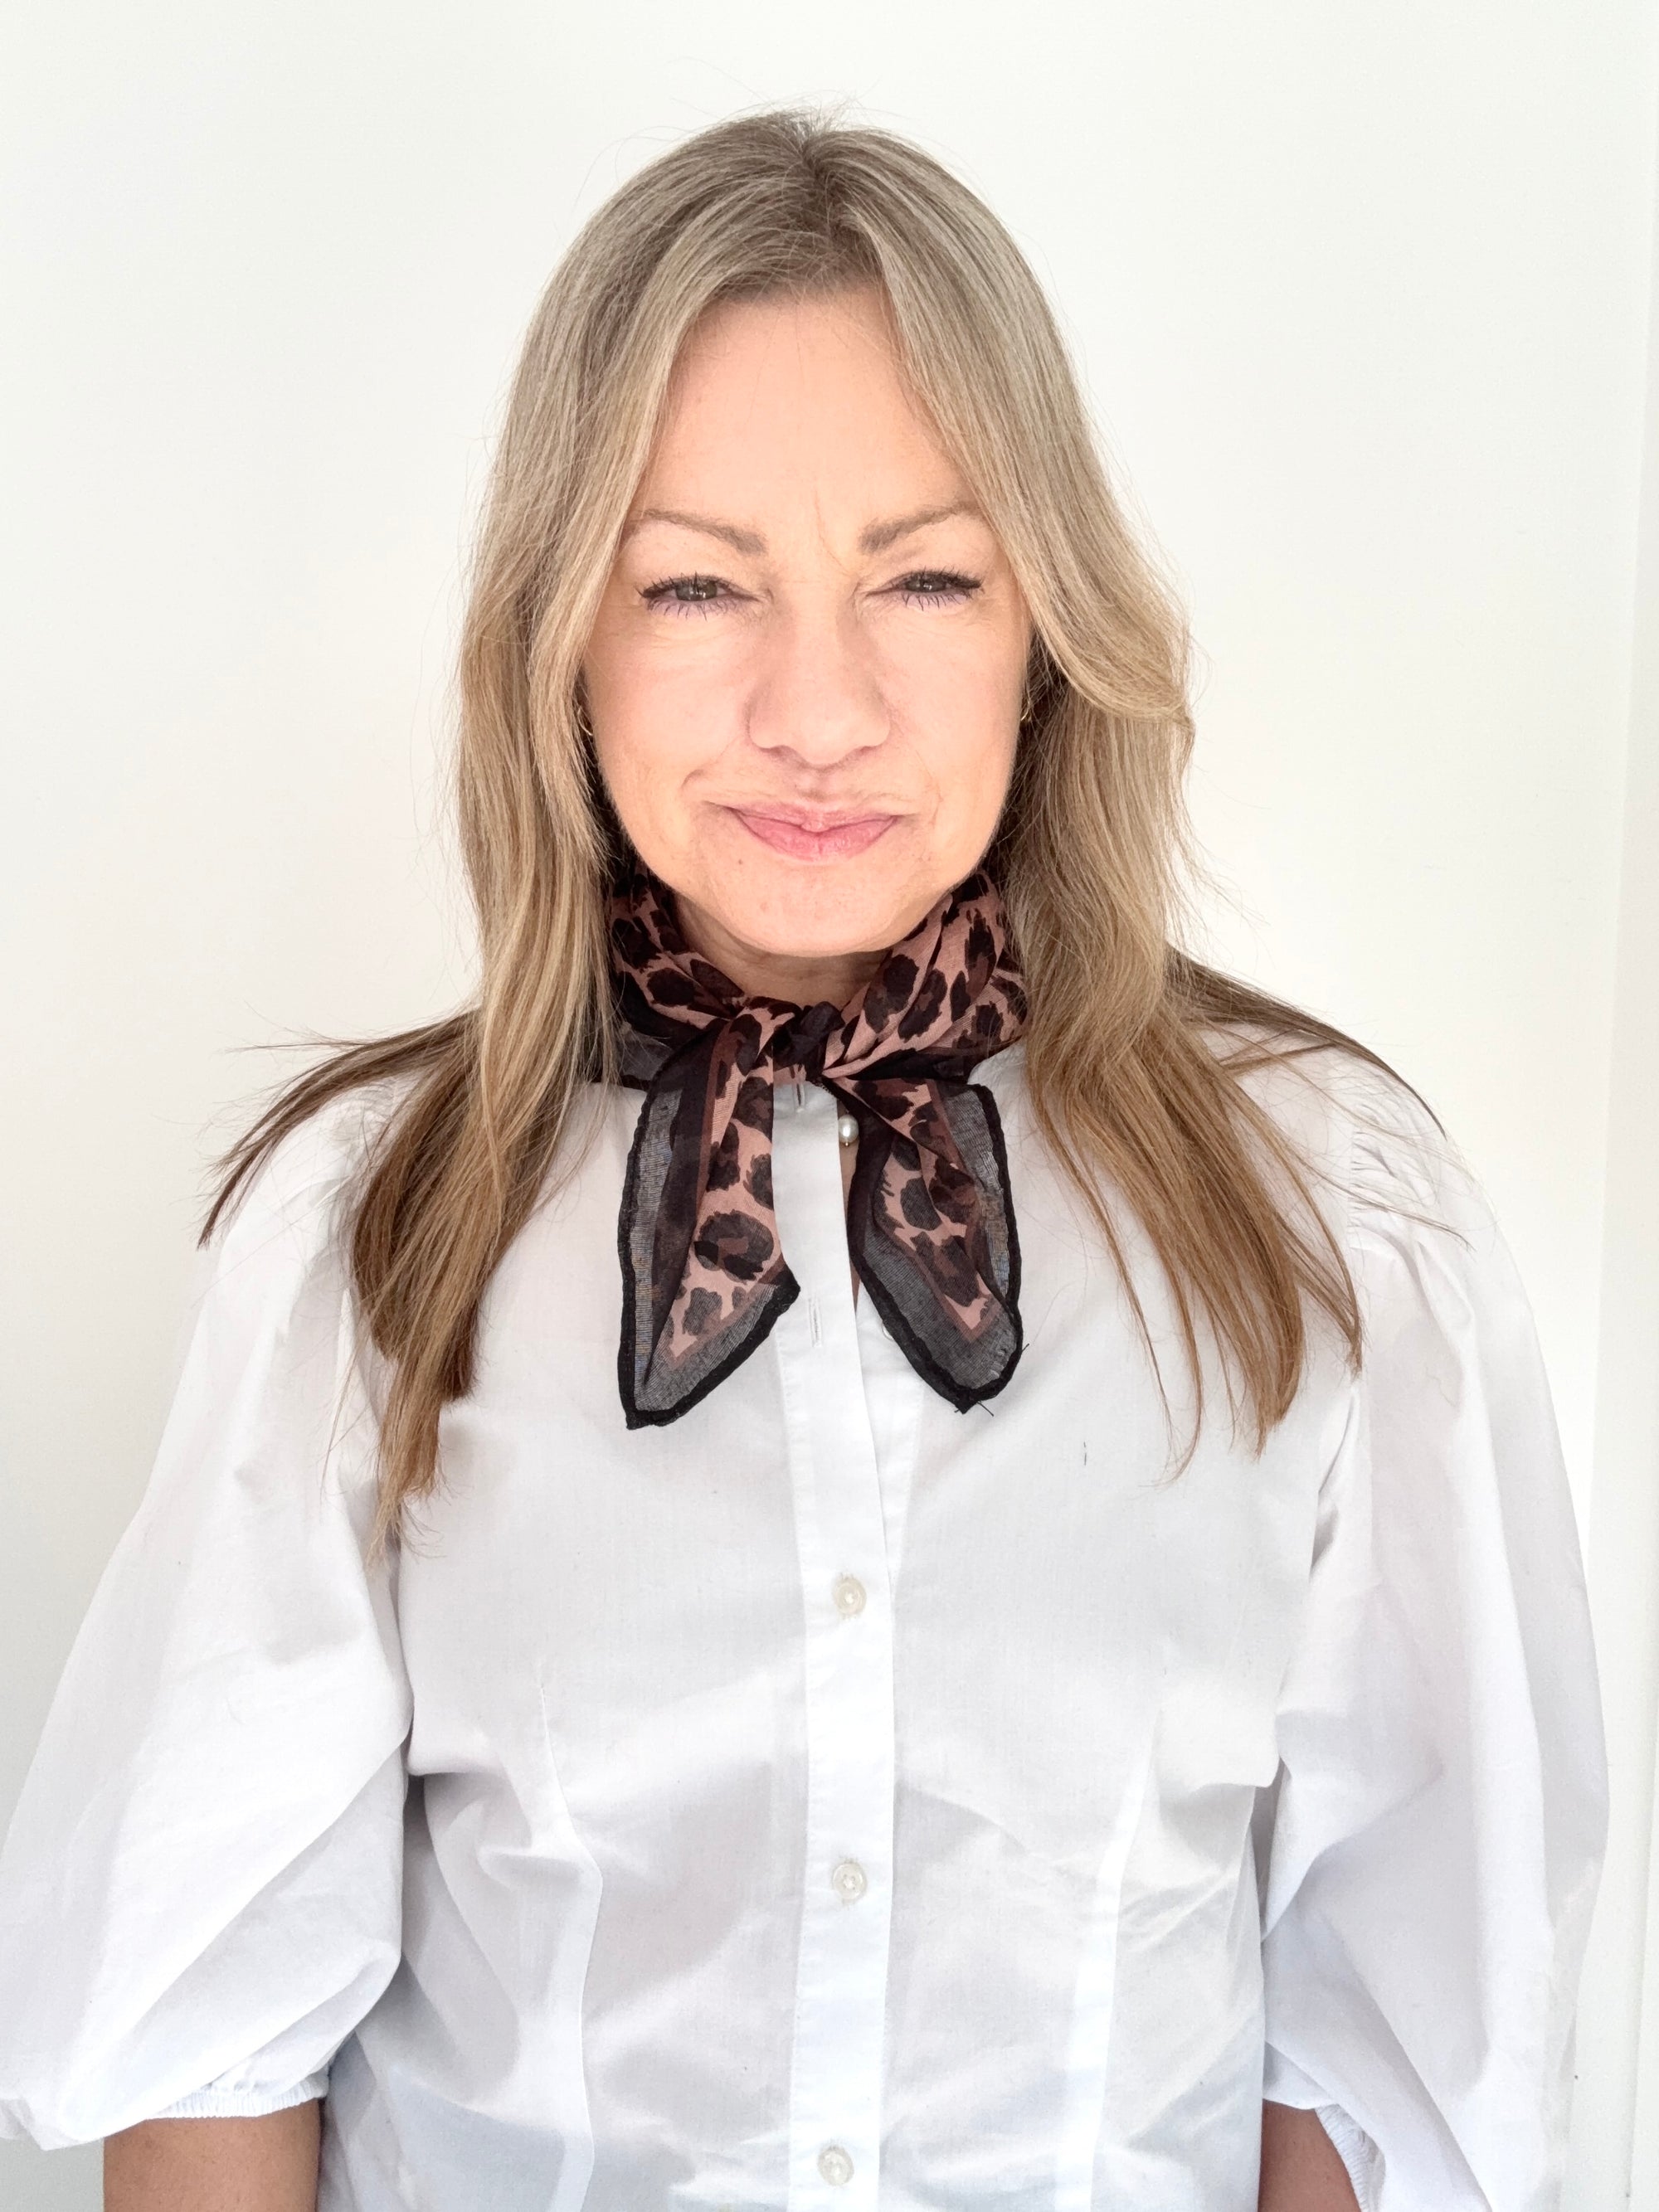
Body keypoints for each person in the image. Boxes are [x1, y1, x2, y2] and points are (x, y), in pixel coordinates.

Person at [0, 109, 1607, 2212]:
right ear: (560, 643)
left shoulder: (1331, 1223)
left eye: (925, 576)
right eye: (695, 582)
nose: (817, 706)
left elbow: (1400, 2045)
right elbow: (212, 2043)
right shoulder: (370, 1235)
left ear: (1049, 629)